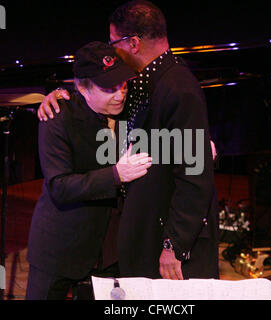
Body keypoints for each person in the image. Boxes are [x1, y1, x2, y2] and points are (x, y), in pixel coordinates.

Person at [38, 0, 219, 281]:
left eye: (114, 43)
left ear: (133, 43)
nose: (113, 52)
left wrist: (174, 245)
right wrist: (61, 93)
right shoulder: (139, 80)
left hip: (166, 238)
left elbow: (195, 178)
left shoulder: (178, 88)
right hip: (141, 233)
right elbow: (94, 89)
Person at [25, 41, 152, 300]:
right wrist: (117, 175)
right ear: (82, 87)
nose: (119, 94)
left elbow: (165, 127)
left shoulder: (130, 110)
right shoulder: (58, 117)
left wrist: (198, 142)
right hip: (60, 247)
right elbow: (60, 187)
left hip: (109, 250)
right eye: (108, 88)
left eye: (122, 84)